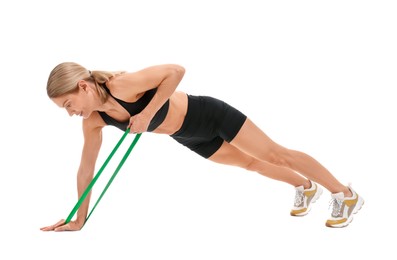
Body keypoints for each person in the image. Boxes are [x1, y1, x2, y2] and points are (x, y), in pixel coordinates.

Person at [41, 62, 364, 231]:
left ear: (83, 86)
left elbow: (176, 71)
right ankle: (305, 188)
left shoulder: (122, 85)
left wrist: (148, 113)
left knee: (273, 153)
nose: (71, 113)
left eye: (69, 104)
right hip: (187, 135)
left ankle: (345, 195)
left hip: (209, 115)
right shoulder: (94, 121)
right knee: (249, 163)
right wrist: (78, 217)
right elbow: (86, 170)